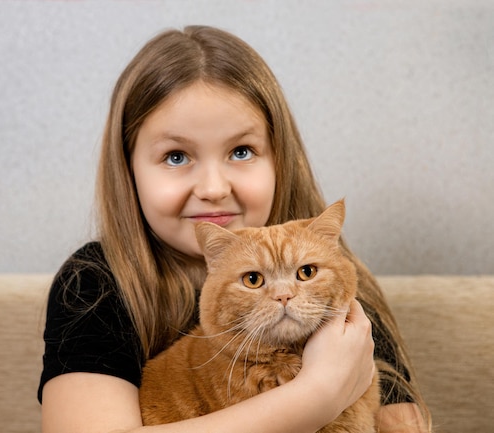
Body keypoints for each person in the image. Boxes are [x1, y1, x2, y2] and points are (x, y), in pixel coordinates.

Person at [38, 25, 431, 433]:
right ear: (128, 169)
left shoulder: (340, 289)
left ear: (279, 159)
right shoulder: (95, 281)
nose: (213, 189)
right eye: (176, 156)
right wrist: (318, 394)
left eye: (241, 151)